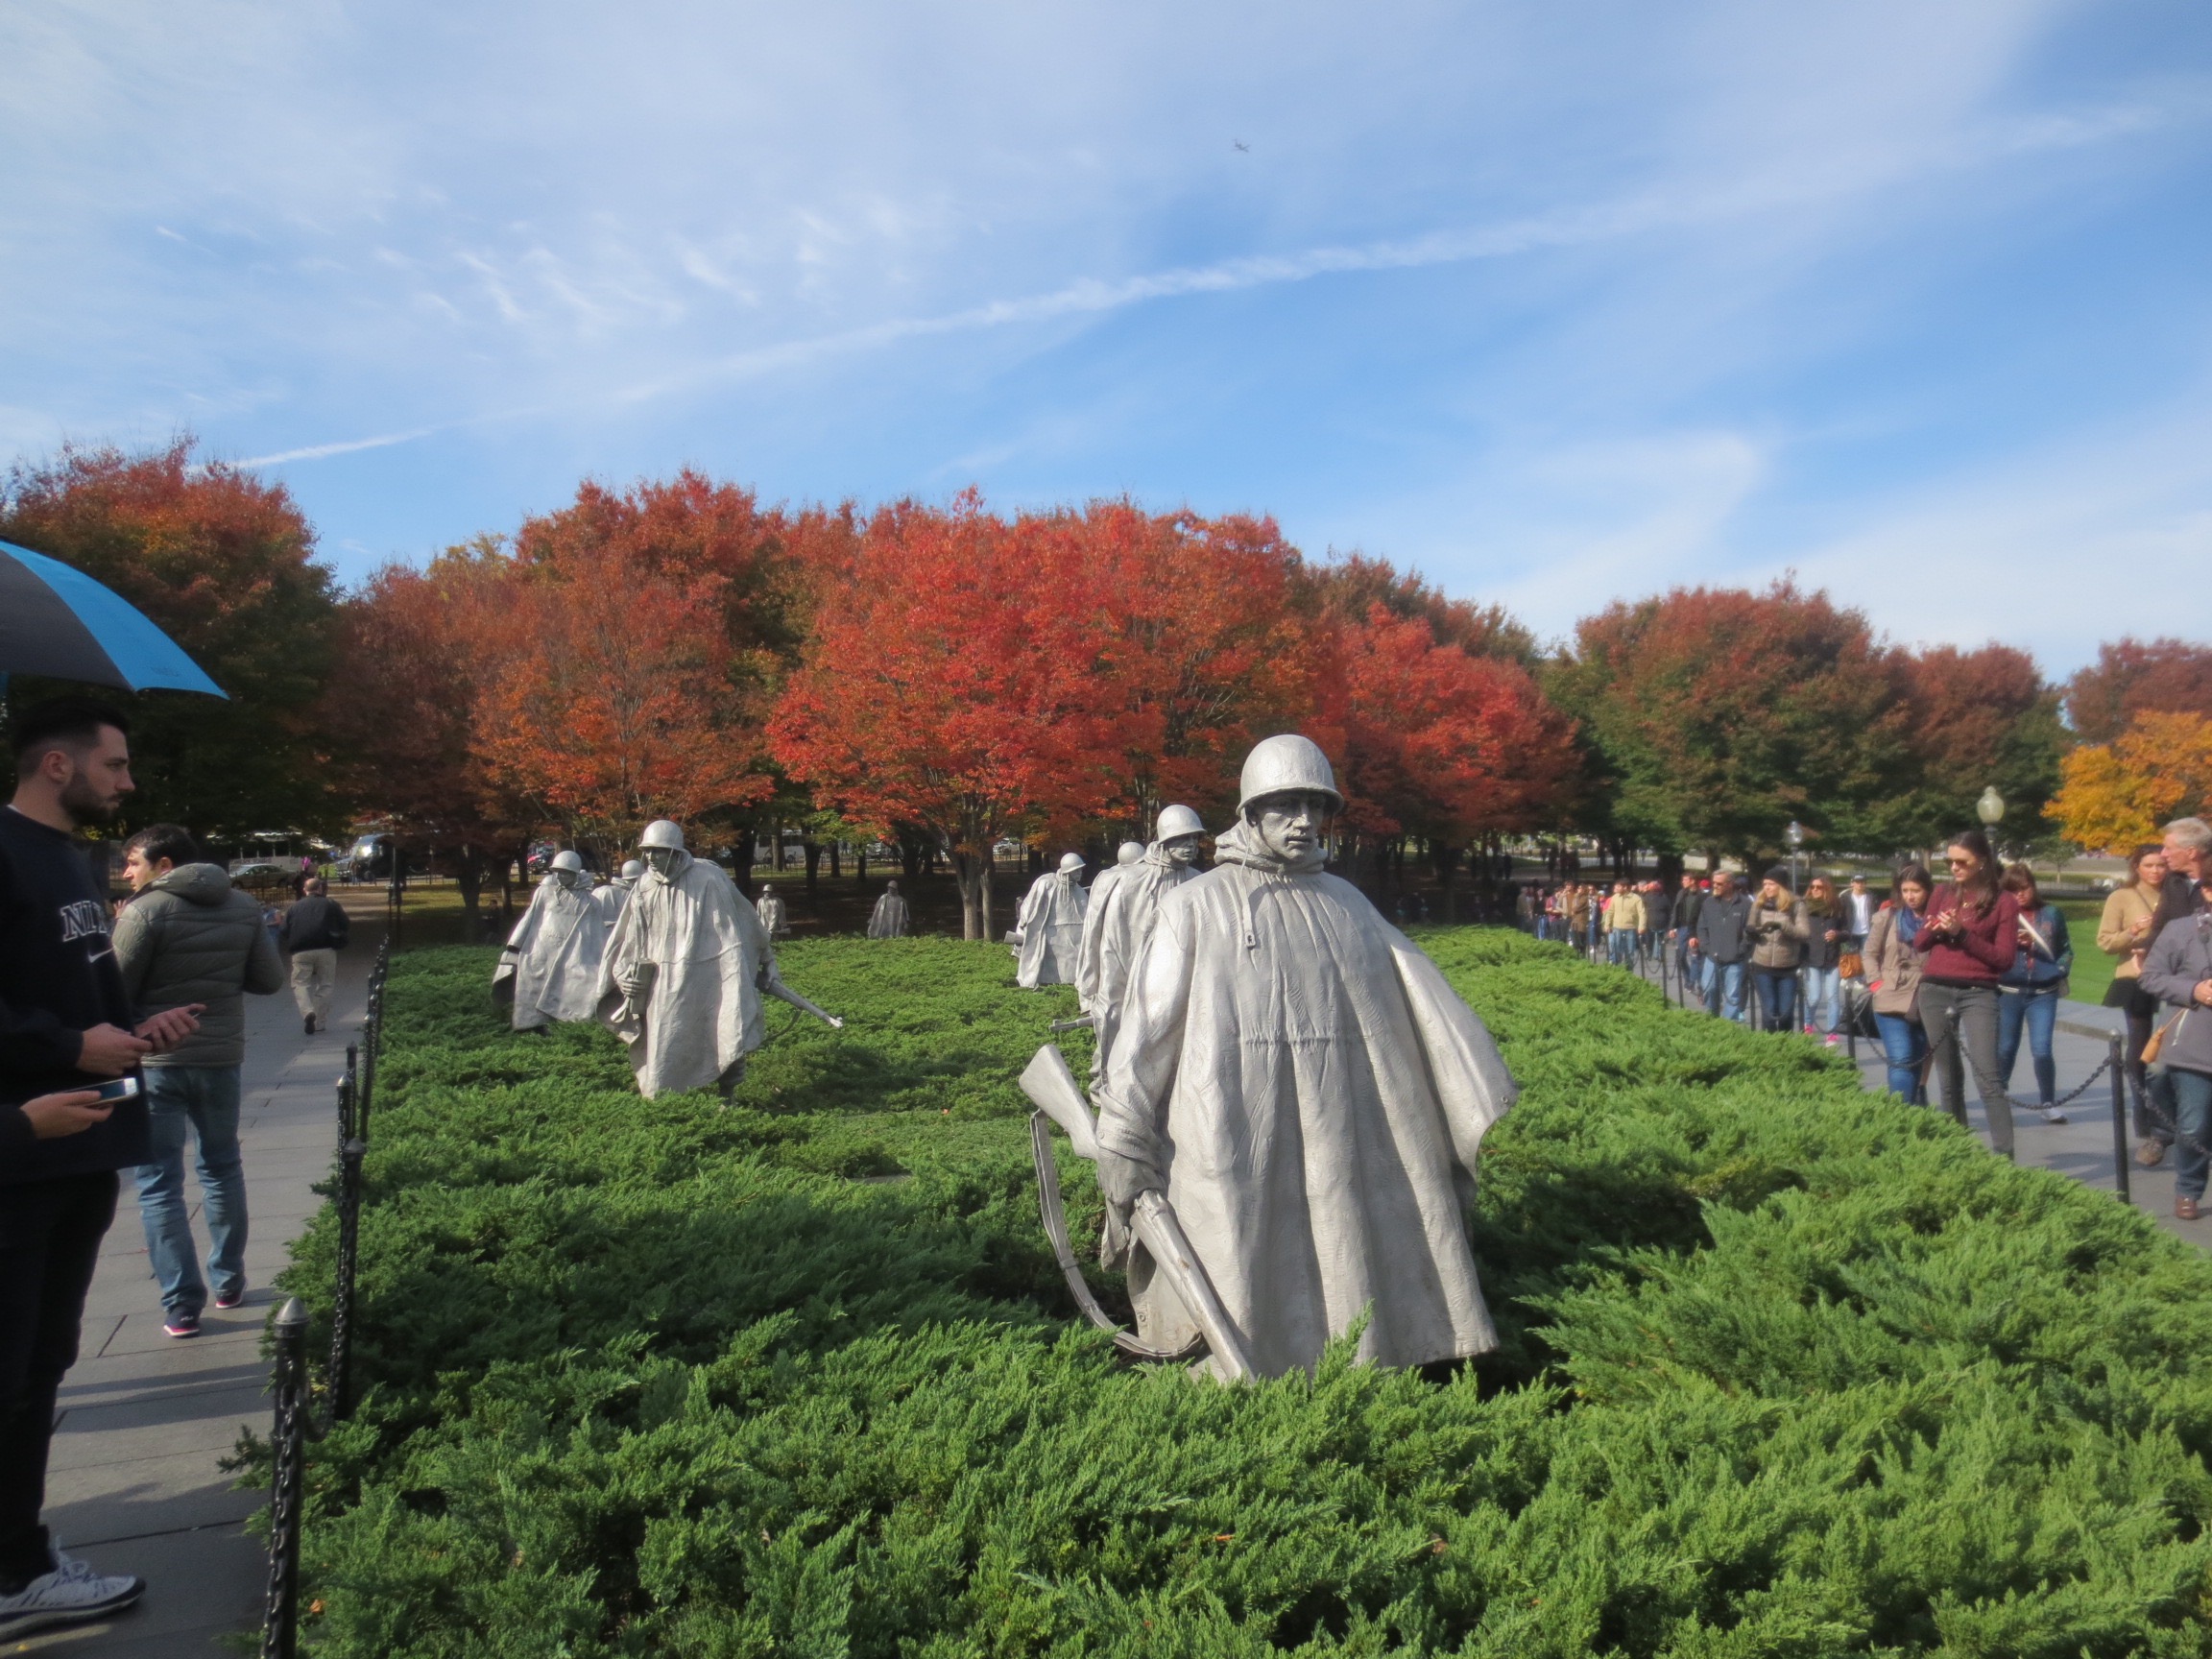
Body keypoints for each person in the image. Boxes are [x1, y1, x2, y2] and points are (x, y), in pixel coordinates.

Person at [1093, 734, 1516, 1378]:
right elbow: (1148, 1031)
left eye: (1316, 807)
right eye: (1287, 806)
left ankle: (1359, 1372)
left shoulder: (1349, 905)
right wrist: (1123, 1136)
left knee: (1348, 1253)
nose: (1306, 822)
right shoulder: (1194, 907)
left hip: (1346, 1129)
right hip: (1233, 1128)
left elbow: (1423, 1014)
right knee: (1239, 1265)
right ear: (1251, 813)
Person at [1, 700, 202, 1636]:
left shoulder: (73, 862)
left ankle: (23, 1554)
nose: (127, 784)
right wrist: (64, 1045)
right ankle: (12, 1575)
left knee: (43, 1363)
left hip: (84, 1146)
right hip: (23, 1155)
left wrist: (130, 1037)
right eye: (114, 766)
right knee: (12, 1369)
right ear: (55, 764)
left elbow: (82, 991)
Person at [110, 824, 283, 1337]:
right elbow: (269, 980)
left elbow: (114, 990)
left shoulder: (145, 911)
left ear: (165, 865)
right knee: (222, 1167)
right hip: (221, 1058)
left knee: (159, 1181)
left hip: (157, 1061)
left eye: (134, 862)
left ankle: (182, 1303)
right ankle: (229, 1281)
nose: (126, 872)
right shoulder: (243, 906)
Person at [598, 820, 781, 1098]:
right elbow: (630, 938)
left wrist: (767, 960)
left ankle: (726, 1095)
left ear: (675, 852)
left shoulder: (708, 878)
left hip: (711, 974)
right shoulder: (645, 885)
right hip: (662, 981)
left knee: (725, 1030)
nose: (650, 858)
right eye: (646, 851)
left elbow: (744, 919)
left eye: (658, 851)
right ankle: (664, 1101)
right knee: (665, 1041)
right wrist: (624, 976)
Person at [1911, 828, 2021, 1159]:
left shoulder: (2004, 902)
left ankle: (2004, 1157)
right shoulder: (1942, 893)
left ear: (1983, 862)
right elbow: (1919, 944)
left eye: (1962, 862)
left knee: (1988, 1076)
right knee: (1948, 1076)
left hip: (1978, 992)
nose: (1955, 868)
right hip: (1935, 988)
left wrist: (1962, 933)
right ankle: (1958, 1152)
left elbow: (2003, 959)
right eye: (1950, 861)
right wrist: (1935, 928)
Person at [1077, 805, 1204, 1082]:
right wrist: (1101, 985)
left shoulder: (1199, 881)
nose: (1191, 845)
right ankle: (1111, 1083)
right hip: (1130, 973)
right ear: (1165, 841)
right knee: (1119, 1024)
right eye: (1184, 839)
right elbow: (1111, 942)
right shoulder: (1130, 881)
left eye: (1195, 839)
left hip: (1181, 975)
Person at [2140, 865, 2212, 1219]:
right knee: (2194, 1124)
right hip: (2194, 1047)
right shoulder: (2181, 930)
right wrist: (2193, 990)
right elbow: (2150, 978)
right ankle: (2188, 1189)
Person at [2099, 844, 2172, 1164]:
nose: (2156, 871)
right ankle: (2143, 1114)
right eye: (2150, 865)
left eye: (2161, 865)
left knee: (2170, 1049)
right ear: (2137, 867)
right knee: (2141, 1048)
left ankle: (2171, 1114)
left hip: (2172, 976)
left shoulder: (2177, 895)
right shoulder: (2122, 897)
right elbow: (2106, 942)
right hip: (2136, 977)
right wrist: (2133, 931)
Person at [499, 852, 612, 1031]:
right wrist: (514, 945)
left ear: (575, 874)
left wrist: (604, 959)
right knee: (531, 986)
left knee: (565, 987)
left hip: (568, 954)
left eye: (565, 872)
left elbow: (595, 934)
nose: (559, 876)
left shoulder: (590, 903)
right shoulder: (544, 893)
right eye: (556, 872)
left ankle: (558, 1028)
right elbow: (530, 917)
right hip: (540, 950)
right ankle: (527, 1026)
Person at [1996, 863, 2072, 1125]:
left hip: (2044, 991)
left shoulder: (2051, 913)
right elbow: (1989, 950)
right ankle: (2000, 1095)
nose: (2020, 894)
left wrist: (2059, 969)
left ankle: (2048, 1103)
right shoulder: (2001, 915)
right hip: (2009, 990)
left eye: (2025, 887)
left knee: (2042, 1049)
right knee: (2006, 1047)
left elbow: (2065, 948)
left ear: (2033, 886)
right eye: (2013, 890)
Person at [1863, 864, 1933, 1103]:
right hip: (1890, 996)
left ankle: (1912, 1109)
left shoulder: (1937, 919)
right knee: (1901, 1058)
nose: (1910, 896)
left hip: (1926, 997)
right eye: (1905, 890)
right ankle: (1900, 1114)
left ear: (1927, 891)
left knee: (1916, 1059)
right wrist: (1876, 983)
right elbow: (1870, 953)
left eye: (1916, 890)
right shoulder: (1888, 917)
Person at [278, 877, 349, 1036]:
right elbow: (345, 924)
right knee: (326, 984)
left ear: (305, 890)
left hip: (301, 951)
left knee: (299, 983)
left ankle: (307, 1011)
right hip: (326, 949)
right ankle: (318, 1022)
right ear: (320, 889)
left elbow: (283, 931)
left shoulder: (294, 908)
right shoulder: (331, 904)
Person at [1014, 853, 1088, 988]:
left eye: (1080, 869)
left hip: (1074, 937)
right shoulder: (1047, 883)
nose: (1079, 873)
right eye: (1076, 870)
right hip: (1051, 936)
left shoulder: (1080, 892)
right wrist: (1023, 926)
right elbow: (1030, 906)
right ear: (1067, 870)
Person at [1746, 869, 1808, 1031]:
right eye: (1765, 884)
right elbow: (1751, 926)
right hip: (1762, 964)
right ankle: (1770, 1048)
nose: (1767, 887)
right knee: (1770, 1010)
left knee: (1785, 1013)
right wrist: (1754, 931)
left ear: (1781, 886)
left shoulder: (1796, 904)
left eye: (1771, 884)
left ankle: (1786, 1045)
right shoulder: (1758, 903)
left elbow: (1804, 933)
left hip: (1788, 965)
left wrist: (1783, 926)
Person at [1692, 871, 1752, 1022]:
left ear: (1730, 884)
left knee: (1732, 997)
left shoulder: (1745, 904)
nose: (1715, 886)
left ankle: (1726, 1026)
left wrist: (1741, 950)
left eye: (1719, 883)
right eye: (1714, 883)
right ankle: (1713, 1021)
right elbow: (1702, 927)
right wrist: (1706, 947)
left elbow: (1750, 931)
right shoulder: (1709, 903)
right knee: (1709, 989)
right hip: (1712, 957)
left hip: (1735, 959)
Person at [1798, 875, 1846, 1044]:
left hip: (1832, 958)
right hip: (1811, 957)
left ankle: (1832, 1033)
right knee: (1814, 997)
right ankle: (1808, 1025)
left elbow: (1847, 932)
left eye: (1819, 887)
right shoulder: (1803, 907)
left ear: (1827, 889)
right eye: (1812, 887)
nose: (1815, 890)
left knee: (1833, 997)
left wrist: (1837, 934)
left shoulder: (1837, 907)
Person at [1672, 874, 1704, 988]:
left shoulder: (1702, 895)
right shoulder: (1682, 893)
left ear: (1693, 881)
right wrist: (1672, 927)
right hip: (1682, 927)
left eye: (1685, 880)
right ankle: (1689, 977)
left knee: (1696, 957)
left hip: (1695, 929)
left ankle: (1695, 982)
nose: (1683, 882)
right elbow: (1675, 909)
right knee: (1680, 956)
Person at [1602, 881, 1645, 968]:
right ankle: (1617, 970)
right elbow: (1610, 912)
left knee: (1629, 951)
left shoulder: (1636, 898)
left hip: (1631, 928)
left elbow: (1642, 913)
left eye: (1618, 886)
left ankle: (1629, 972)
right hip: (1616, 928)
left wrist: (1642, 926)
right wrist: (1607, 925)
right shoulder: (1615, 897)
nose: (1616, 888)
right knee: (1616, 950)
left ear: (1625, 887)